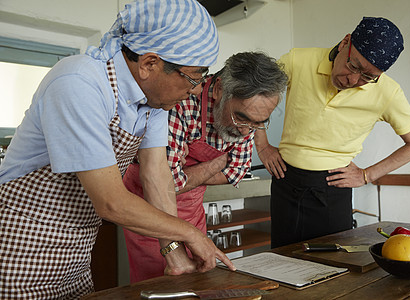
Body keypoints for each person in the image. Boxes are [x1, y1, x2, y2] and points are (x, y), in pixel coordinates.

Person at [0, 1, 236, 298]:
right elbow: (110, 201)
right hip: (19, 248)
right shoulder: (79, 82)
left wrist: (172, 250)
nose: (197, 90)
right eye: (192, 78)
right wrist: (189, 232)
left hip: (75, 253)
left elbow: (156, 174)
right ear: (150, 64)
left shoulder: (153, 101)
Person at [254, 17, 410, 248]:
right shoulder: (299, 60)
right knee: (283, 258)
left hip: (333, 188)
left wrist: (367, 175)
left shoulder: (388, 92)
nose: (353, 80)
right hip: (285, 180)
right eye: (353, 66)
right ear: (346, 42)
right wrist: (263, 146)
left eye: (367, 77)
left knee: (332, 267)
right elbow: (256, 93)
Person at [122, 51, 288, 282]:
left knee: (199, 277)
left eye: (258, 124)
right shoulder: (179, 101)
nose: (245, 131)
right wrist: (217, 163)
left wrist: (188, 175)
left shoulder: (248, 119)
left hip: (194, 208)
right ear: (219, 89)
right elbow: (166, 182)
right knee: (157, 281)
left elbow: (236, 172)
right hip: (149, 208)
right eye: (241, 118)